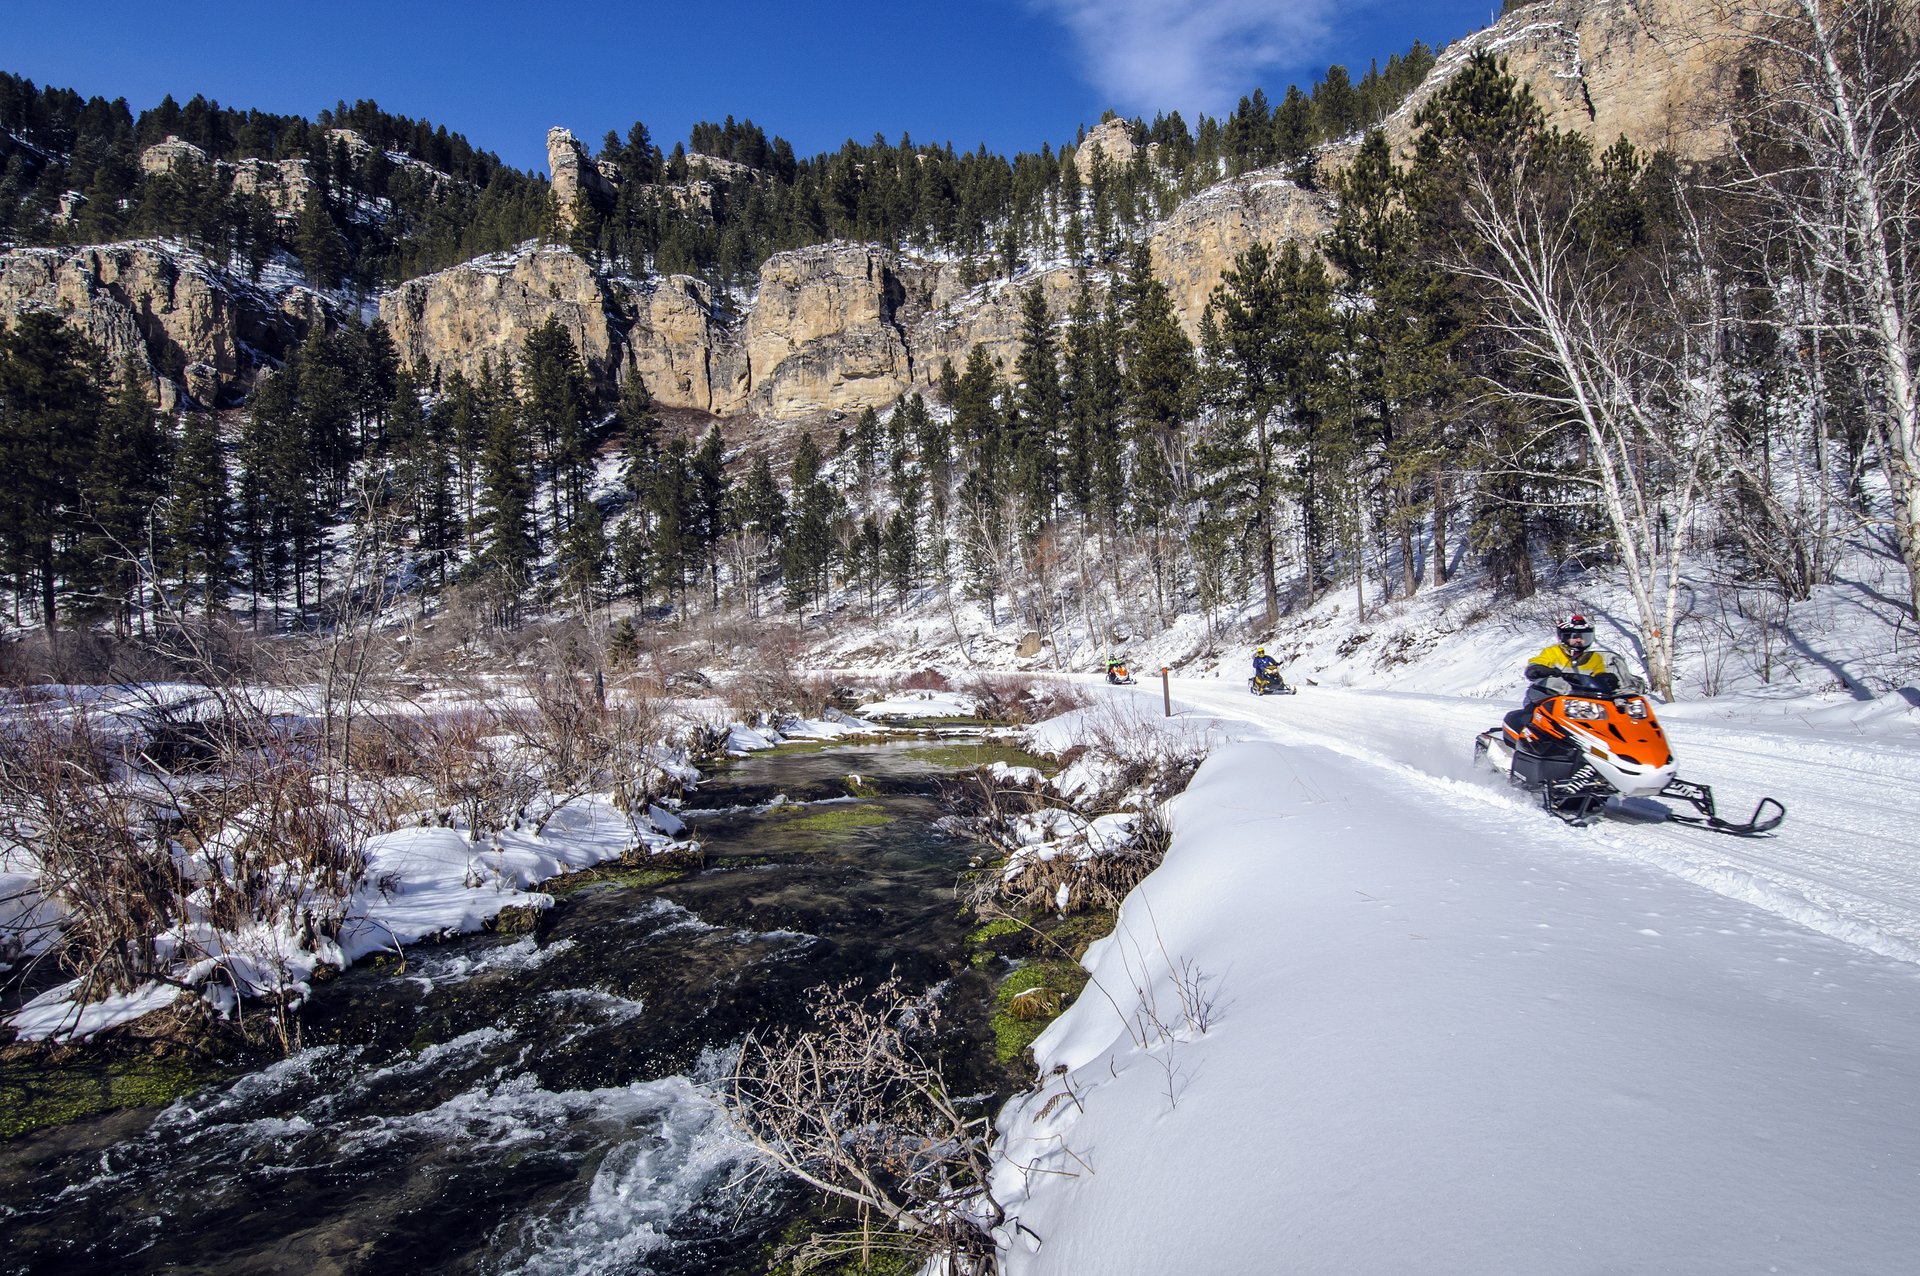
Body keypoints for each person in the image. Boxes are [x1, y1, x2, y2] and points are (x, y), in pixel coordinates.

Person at [1508, 613, 1612, 732]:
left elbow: (1600, 674)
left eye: (1584, 637)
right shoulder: (1553, 652)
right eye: (1575, 636)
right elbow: (1539, 661)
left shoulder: (1594, 658)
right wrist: (1537, 669)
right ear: (1564, 637)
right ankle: (1523, 742)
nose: (1579, 640)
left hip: (1581, 703)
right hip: (1548, 696)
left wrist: (1608, 678)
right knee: (1532, 721)